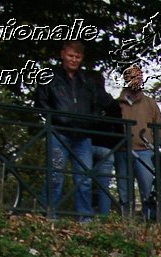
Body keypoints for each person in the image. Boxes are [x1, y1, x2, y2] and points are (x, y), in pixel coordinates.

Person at [33, 42, 109, 219]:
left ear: (81, 59)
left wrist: (90, 121)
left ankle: (85, 218)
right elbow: (40, 101)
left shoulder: (87, 81)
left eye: (78, 57)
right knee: (55, 175)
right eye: (71, 55)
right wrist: (55, 118)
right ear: (62, 55)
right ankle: (49, 214)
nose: (74, 60)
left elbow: (97, 104)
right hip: (59, 132)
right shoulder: (49, 76)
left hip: (83, 136)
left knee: (84, 178)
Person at [118, 65, 161, 219]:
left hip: (144, 151)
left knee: (148, 190)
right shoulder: (118, 103)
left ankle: (150, 220)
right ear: (125, 79)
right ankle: (126, 221)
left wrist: (155, 146)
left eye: (139, 77)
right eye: (132, 77)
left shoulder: (150, 103)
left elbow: (159, 128)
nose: (136, 80)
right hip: (122, 151)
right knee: (124, 190)